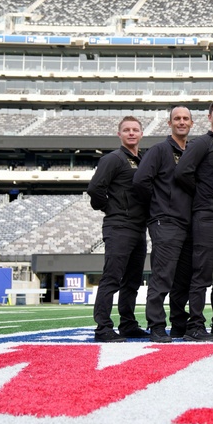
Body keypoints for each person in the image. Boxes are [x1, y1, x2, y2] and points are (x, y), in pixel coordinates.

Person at [132, 105, 195, 343]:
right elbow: (140, 181)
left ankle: (179, 323)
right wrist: (159, 205)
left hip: (189, 223)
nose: (181, 122)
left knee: (183, 278)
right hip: (166, 221)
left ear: (191, 123)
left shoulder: (193, 150)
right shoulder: (159, 150)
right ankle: (156, 325)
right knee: (162, 275)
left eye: (185, 118)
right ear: (169, 123)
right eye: (176, 118)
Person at [173, 99, 213, 342]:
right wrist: (204, 194)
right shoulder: (201, 143)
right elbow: (182, 172)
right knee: (202, 273)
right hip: (208, 215)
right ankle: (195, 324)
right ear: (209, 117)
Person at [86, 116, 148, 343]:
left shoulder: (142, 159)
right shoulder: (113, 159)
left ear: (141, 134)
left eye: (135, 130)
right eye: (126, 130)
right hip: (119, 226)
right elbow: (94, 189)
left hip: (139, 228)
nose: (131, 133)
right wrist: (110, 208)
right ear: (119, 134)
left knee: (132, 279)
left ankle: (128, 324)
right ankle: (103, 327)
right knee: (112, 278)